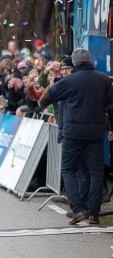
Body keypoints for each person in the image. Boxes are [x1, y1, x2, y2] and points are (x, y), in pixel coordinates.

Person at [40, 49, 113, 225]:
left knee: (68, 170)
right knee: (96, 172)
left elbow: (48, 98)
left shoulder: (68, 80)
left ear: (75, 62)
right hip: (95, 133)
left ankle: (78, 209)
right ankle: (94, 213)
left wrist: (53, 81)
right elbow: (111, 107)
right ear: (89, 60)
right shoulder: (104, 80)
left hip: (73, 134)